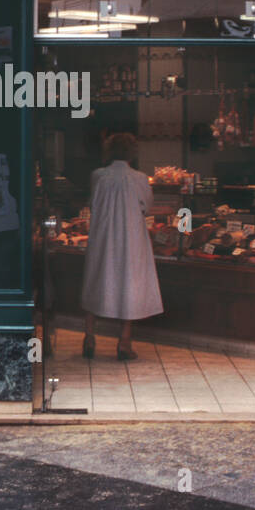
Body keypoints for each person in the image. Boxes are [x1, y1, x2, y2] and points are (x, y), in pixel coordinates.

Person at [80, 132, 163, 361]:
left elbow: (93, 203)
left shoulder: (98, 175)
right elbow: (146, 206)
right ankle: (124, 342)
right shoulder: (139, 178)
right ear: (132, 153)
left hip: (102, 237)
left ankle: (89, 337)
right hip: (130, 238)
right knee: (129, 283)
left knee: (96, 279)